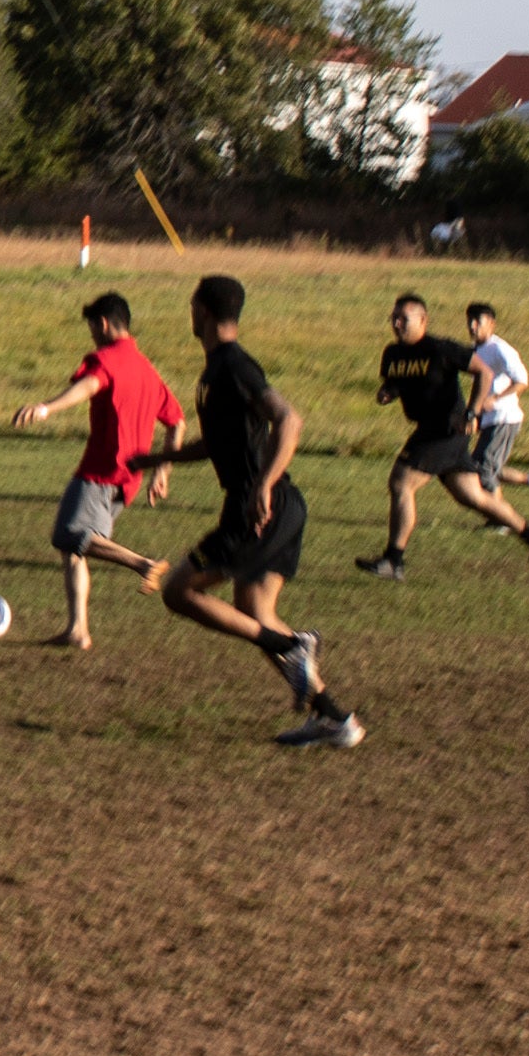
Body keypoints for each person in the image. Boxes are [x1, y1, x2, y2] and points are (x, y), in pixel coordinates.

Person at [158, 275, 364, 749]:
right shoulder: (216, 372)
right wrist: (158, 459)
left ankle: (292, 645)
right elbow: (218, 444)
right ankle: (335, 720)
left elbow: (289, 419)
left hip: (259, 507)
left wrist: (264, 486)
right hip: (280, 505)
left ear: (203, 311)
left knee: (179, 592)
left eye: (192, 307)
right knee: (254, 611)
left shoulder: (232, 364)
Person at [9, 289, 184, 648]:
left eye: (92, 328)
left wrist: (47, 408)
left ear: (103, 324)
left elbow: (88, 386)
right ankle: (78, 630)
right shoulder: (147, 369)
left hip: (100, 470)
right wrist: (162, 472)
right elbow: (177, 422)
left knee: (69, 535)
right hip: (129, 479)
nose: (92, 335)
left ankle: (143, 564)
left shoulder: (105, 360)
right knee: (77, 549)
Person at [357, 289, 529, 582]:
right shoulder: (393, 354)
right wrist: (389, 392)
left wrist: (472, 412)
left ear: (423, 320)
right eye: (394, 318)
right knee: (473, 497)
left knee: (401, 483)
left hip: (446, 430)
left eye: (403, 318)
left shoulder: (441, 349)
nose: (396, 323)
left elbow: (483, 373)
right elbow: (399, 382)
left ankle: (393, 560)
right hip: (428, 429)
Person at [463, 299, 529, 514]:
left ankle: (500, 519)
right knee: (486, 467)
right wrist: (474, 413)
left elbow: (521, 380)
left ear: (491, 324)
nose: (472, 326)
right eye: (469, 321)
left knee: (483, 468)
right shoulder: (475, 351)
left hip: (504, 417)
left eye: (477, 321)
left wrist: (495, 399)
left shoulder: (500, 349)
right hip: (489, 418)